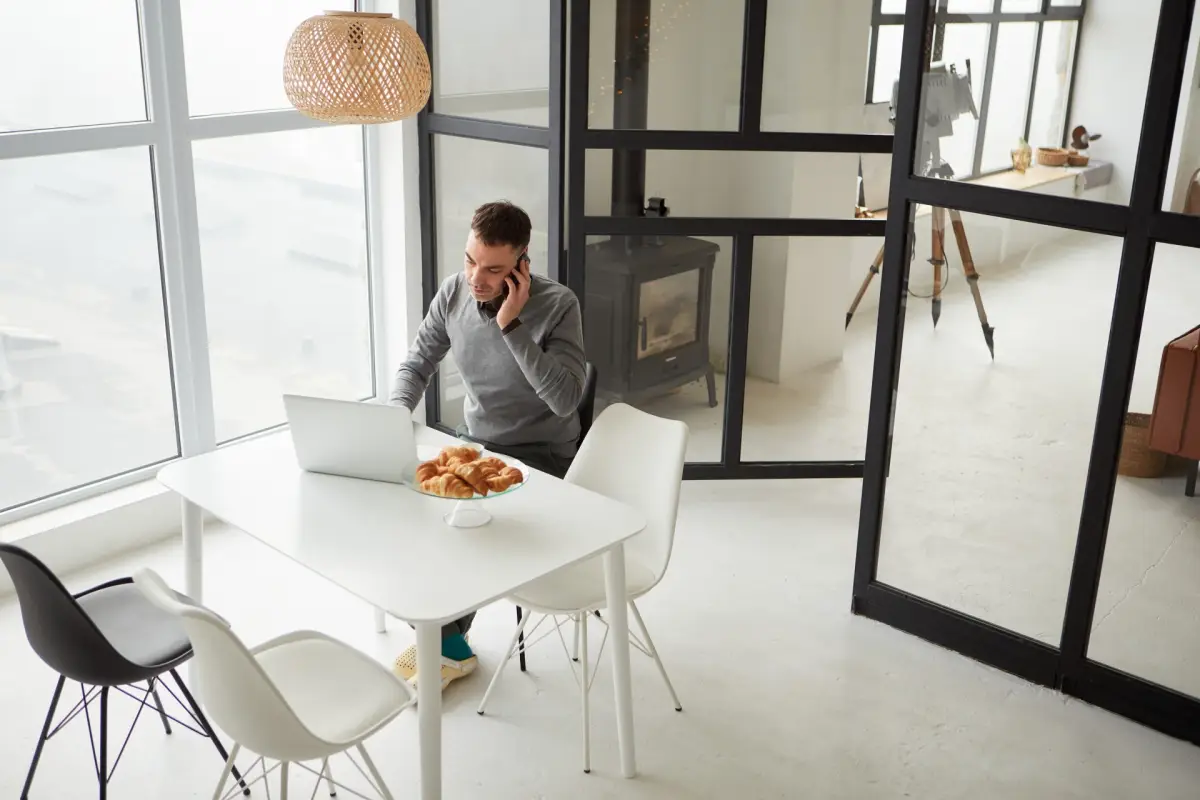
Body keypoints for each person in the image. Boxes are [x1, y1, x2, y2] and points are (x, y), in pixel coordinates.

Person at [388, 200, 586, 690]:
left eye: (494, 269)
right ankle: (443, 639)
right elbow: (416, 365)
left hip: (543, 455)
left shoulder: (559, 305)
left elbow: (565, 401)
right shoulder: (453, 293)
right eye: (470, 260)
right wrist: (394, 416)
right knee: (408, 511)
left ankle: (447, 646)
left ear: (522, 266)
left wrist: (512, 326)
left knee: (466, 528)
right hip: (478, 446)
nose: (476, 277)